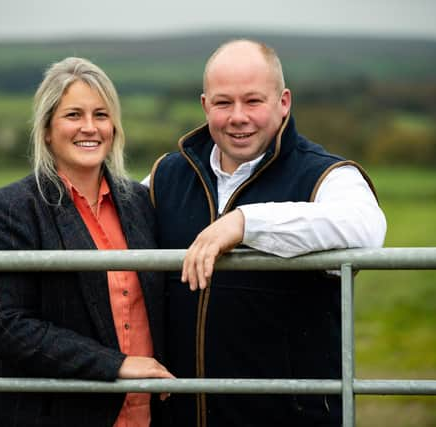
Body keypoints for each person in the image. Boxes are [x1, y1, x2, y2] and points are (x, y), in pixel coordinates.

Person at [148, 39, 386, 426]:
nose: (238, 116)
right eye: (224, 103)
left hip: (292, 417)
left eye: (253, 101)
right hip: (182, 415)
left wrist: (245, 223)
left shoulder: (326, 174)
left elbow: (366, 227)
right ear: (205, 105)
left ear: (284, 102)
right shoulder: (166, 177)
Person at [0, 57, 174, 427]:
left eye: (101, 115)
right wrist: (115, 366)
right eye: (73, 115)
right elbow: (6, 326)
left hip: (143, 412)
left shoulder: (140, 203)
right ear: (47, 129)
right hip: (51, 414)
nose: (90, 127)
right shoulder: (8, 208)